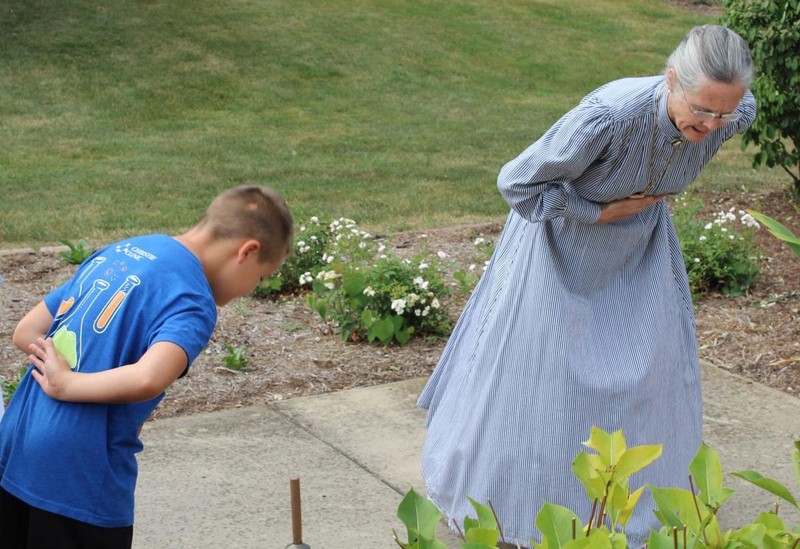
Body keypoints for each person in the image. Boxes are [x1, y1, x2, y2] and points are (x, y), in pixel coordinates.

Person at [417, 24, 755, 547]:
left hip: (641, 252)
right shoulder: (609, 116)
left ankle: (634, 511)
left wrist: (635, 209)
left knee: (651, 379)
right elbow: (518, 184)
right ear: (671, 80)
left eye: (724, 112)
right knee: (544, 389)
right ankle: (518, 511)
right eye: (702, 109)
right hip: (557, 251)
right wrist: (599, 211)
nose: (713, 124)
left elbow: (721, 119)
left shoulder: (736, 112)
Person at [0, 185, 293, 548]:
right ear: (248, 251)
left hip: (18, 447)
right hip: (81, 478)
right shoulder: (192, 299)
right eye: (262, 276)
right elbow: (150, 376)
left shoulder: (124, 250)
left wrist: (62, 368)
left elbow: (26, 331)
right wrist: (66, 385)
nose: (252, 288)